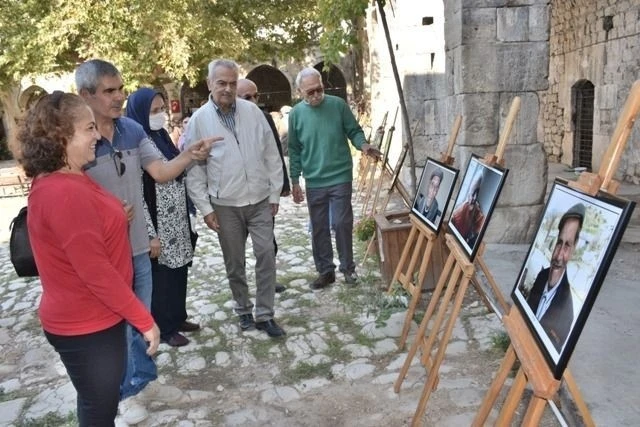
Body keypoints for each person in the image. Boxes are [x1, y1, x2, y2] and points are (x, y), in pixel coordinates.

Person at [76, 59, 216, 424]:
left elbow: (161, 172)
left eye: (120, 88)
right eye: (110, 91)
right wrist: (104, 214)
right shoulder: (76, 143)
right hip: (99, 255)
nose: (119, 97)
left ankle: (136, 381)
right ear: (85, 95)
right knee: (111, 329)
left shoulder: (132, 130)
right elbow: (67, 195)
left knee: (140, 320)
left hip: (136, 249)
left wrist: (189, 154)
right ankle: (117, 391)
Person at [15, 91, 160, 426]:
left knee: (98, 405)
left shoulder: (64, 178)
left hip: (88, 317)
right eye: (89, 129)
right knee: (99, 410)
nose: (98, 135)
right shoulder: (64, 192)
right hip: (87, 323)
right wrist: (144, 320)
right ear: (61, 135)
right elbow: (95, 271)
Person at [185, 59, 285, 338]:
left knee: (266, 253)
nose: (227, 88)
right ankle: (243, 309)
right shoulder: (199, 121)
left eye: (232, 82)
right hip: (225, 204)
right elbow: (194, 170)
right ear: (209, 84)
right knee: (235, 262)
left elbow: (271, 154)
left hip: (259, 200)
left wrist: (274, 191)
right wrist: (205, 208)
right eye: (221, 83)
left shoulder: (253, 112)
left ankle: (265, 314)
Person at [288, 67, 381, 290]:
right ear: (300, 92)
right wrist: (294, 180)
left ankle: (348, 269)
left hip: (340, 175)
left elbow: (354, 131)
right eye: (310, 92)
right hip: (314, 179)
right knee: (319, 227)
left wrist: (364, 145)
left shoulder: (338, 106)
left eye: (319, 89)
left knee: (341, 223)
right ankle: (325, 271)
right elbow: (294, 148)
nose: (316, 95)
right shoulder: (296, 114)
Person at [126, 87, 201, 347]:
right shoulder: (135, 144)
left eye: (162, 109)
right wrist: (150, 233)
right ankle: (165, 327)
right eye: (154, 111)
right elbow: (135, 191)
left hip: (177, 218)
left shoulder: (161, 137)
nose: (160, 115)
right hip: (157, 220)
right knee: (162, 277)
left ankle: (178, 317)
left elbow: (178, 169)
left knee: (179, 269)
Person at [236, 78, 290, 293]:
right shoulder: (226, 120)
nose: (253, 100)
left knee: (267, 242)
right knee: (237, 246)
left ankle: (268, 279)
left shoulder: (264, 117)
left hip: (263, 192)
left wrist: (282, 184)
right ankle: (240, 286)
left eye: (255, 96)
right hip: (236, 195)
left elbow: (275, 152)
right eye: (247, 97)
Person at [526, 203, 584, 352]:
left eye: (567, 246)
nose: (558, 256)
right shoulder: (542, 276)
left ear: (574, 249)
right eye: (559, 243)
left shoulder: (567, 312)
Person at [450, 174, 485, 246]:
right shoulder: (462, 208)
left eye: (477, 193)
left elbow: (477, 232)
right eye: (472, 193)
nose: (473, 198)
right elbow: (453, 220)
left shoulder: (479, 216)